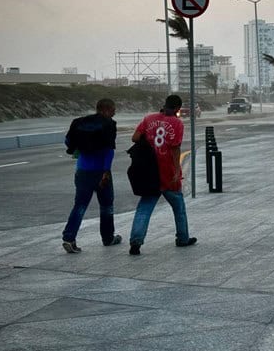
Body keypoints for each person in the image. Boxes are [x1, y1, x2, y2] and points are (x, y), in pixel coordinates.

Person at [128, 94, 197, 255]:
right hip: (167, 172)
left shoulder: (149, 118)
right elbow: (175, 148)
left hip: (149, 172)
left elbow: (135, 137)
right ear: (178, 108)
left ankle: (135, 242)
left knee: (144, 208)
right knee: (178, 207)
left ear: (164, 104)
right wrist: (176, 171)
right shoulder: (177, 123)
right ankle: (182, 238)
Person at [62, 98, 122, 253]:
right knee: (106, 206)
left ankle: (69, 238)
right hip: (100, 171)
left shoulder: (79, 122)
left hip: (82, 170)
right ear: (107, 109)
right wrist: (106, 172)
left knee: (80, 205)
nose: (115, 112)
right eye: (113, 109)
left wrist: (78, 150)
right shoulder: (109, 124)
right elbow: (109, 151)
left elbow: (68, 141)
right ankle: (108, 238)